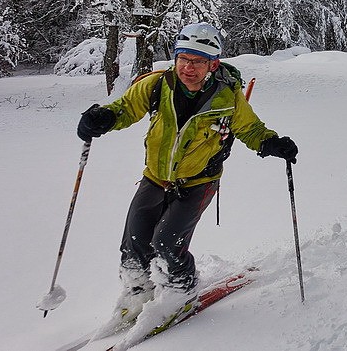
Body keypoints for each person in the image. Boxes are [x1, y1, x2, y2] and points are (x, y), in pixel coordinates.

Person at [76, 22, 298, 336]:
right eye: (183, 58)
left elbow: (250, 129)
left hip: (199, 182)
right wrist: (103, 117)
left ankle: (180, 291)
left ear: (213, 64)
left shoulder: (227, 97)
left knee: (166, 242)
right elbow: (125, 108)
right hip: (155, 177)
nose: (187, 67)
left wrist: (272, 143)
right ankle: (138, 291)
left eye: (197, 61)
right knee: (134, 241)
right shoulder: (157, 85)